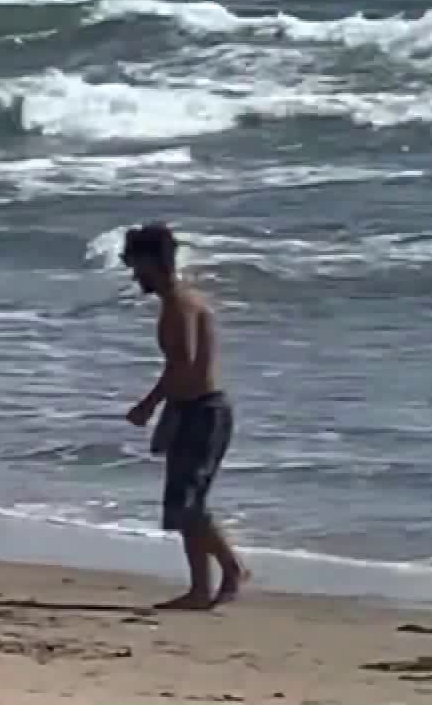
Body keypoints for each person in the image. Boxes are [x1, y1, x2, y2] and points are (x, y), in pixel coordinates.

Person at [120, 222, 249, 610]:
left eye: (135, 265)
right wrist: (169, 415)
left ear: (151, 262)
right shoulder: (184, 301)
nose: (133, 274)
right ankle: (199, 589)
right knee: (184, 505)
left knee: (188, 505)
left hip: (203, 413)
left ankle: (232, 567)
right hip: (193, 409)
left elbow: (183, 363)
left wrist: (150, 405)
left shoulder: (179, 305)